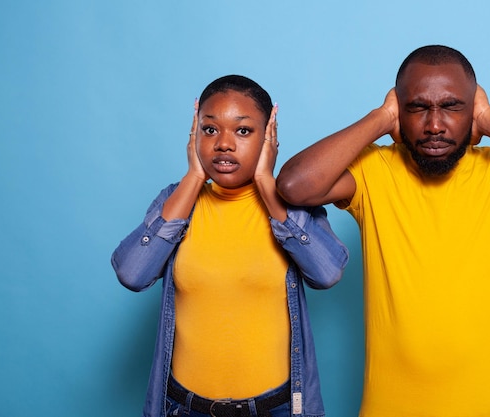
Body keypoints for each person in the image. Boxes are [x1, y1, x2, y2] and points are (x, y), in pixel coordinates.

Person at [276, 45, 490, 417]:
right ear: (400, 112)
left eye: (452, 107)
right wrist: (380, 117)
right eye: (417, 107)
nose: (435, 125)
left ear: (473, 110)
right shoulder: (374, 171)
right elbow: (293, 186)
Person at [111, 75, 349, 417]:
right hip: (186, 408)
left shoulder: (293, 207)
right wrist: (194, 177)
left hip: (275, 409)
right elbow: (132, 273)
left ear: (269, 136)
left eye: (243, 131)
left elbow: (327, 273)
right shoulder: (177, 203)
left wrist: (268, 183)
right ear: (195, 135)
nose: (223, 144)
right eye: (210, 130)